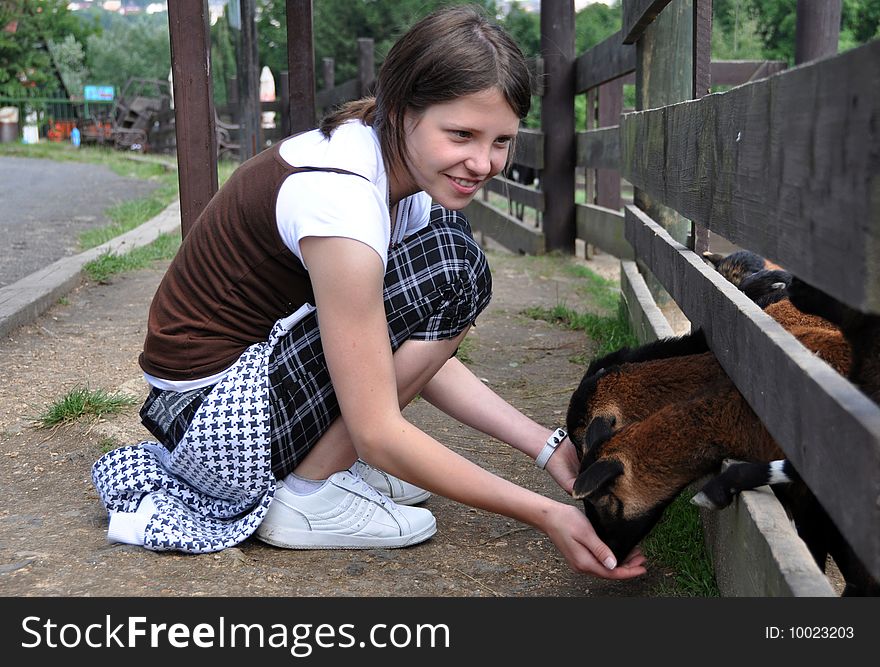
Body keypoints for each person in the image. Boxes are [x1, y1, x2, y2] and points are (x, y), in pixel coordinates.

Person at [91, 5, 646, 582]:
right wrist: (545, 513)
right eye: (461, 134)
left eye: (501, 140)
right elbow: (379, 428)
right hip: (211, 425)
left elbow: (399, 342)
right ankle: (306, 493)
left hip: (244, 387)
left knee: (446, 248)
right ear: (402, 109)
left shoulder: (392, 171)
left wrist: (546, 445)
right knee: (453, 263)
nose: (483, 162)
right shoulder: (345, 200)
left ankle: (320, 463)